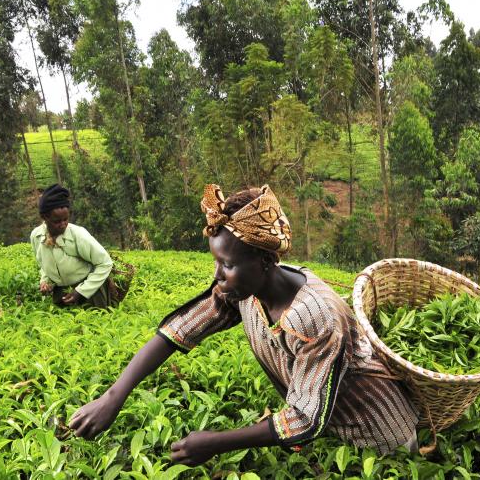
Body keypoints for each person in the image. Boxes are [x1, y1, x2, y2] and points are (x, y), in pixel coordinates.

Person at [68, 184, 419, 465]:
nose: (218, 276)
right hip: (331, 427)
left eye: (227, 265)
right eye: (216, 262)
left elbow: (304, 420)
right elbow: (183, 328)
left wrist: (215, 442)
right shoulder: (244, 291)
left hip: (379, 434)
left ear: (265, 260)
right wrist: (113, 396)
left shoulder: (317, 317)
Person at [30, 184, 114, 308]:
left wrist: (81, 291)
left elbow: (105, 263)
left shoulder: (78, 235)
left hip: (90, 291)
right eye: (57, 221)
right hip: (62, 293)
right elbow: (43, 265)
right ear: (44, 217)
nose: (63, 224)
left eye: (66, 219)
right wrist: (45, 281)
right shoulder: (36, 236)